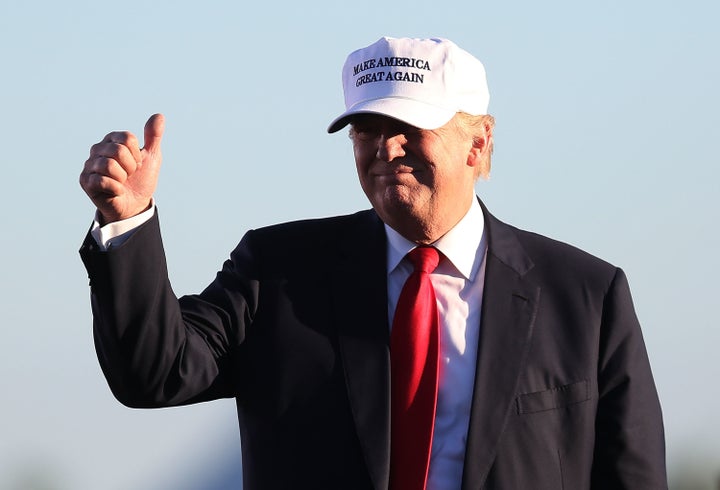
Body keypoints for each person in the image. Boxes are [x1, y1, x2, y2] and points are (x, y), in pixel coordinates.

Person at [79, 37, 667, 489]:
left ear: (479, 142)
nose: (386, 149)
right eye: (367, 130)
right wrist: (126, 223)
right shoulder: (278, 272)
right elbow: (154, 372)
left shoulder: (586, 296)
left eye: (409, 128)